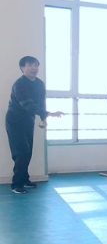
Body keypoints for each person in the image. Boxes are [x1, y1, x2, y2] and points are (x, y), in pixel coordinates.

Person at [5, 56, 63, 194]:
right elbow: (28, 105)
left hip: (28, 120)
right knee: (21, 152)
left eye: (36, 65)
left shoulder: (39, 84)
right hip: (14, 121)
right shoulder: (19, 85)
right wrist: (49, 113)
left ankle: (24, 179)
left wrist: (44, 118)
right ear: (22, 68)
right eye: (30, 65)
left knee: (28, 151)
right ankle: (16, 184)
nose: (34, 68)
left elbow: (41, 102)